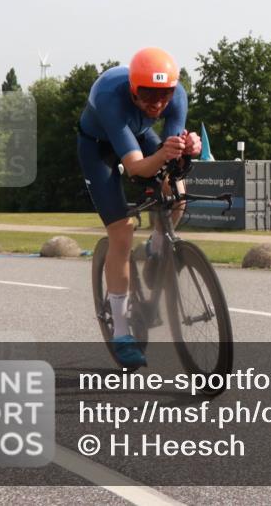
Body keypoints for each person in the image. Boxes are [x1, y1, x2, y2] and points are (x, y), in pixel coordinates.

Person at [77, 48, 202, 368]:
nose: (157, 104)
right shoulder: (110, 97)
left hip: (141, 136)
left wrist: (188, 149)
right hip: (98, 149)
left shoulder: (177, 96)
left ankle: (156, 249)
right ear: (133, 90)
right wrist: (165, 154)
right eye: (147, 96)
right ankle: (121, 333)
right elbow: (135, 167)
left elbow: (170, 159)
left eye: (163, 96)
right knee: (122, 232)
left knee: (178, 194)